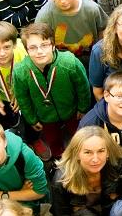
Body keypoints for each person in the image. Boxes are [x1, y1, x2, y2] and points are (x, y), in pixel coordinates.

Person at [13, 22, 90, 159]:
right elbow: (22, 98)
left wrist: (83, 108)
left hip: (72, 111)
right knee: (53, 140)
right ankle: (58, 159)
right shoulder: (20, 72)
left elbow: (83, 87)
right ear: (26, 50)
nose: (39, 51)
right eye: (33, 47)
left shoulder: (69, 63)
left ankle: (81, 157)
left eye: (44, 45)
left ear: (53, 44)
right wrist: (31, 119)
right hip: (45, 116)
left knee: (79, 135)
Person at [50, 127, 122, 216]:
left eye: (101, 151)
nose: (95, 159)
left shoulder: (117, 167)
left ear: (108, 152)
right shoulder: (61, 181)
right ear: (77, 154)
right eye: (88, 152)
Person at [35, 0, 107, 67]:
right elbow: (39, 41)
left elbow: (103, 29)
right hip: (62, 66)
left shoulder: (91, 8)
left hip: (93, 62)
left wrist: (101, 54)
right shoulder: (44, 15)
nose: (63, 1)